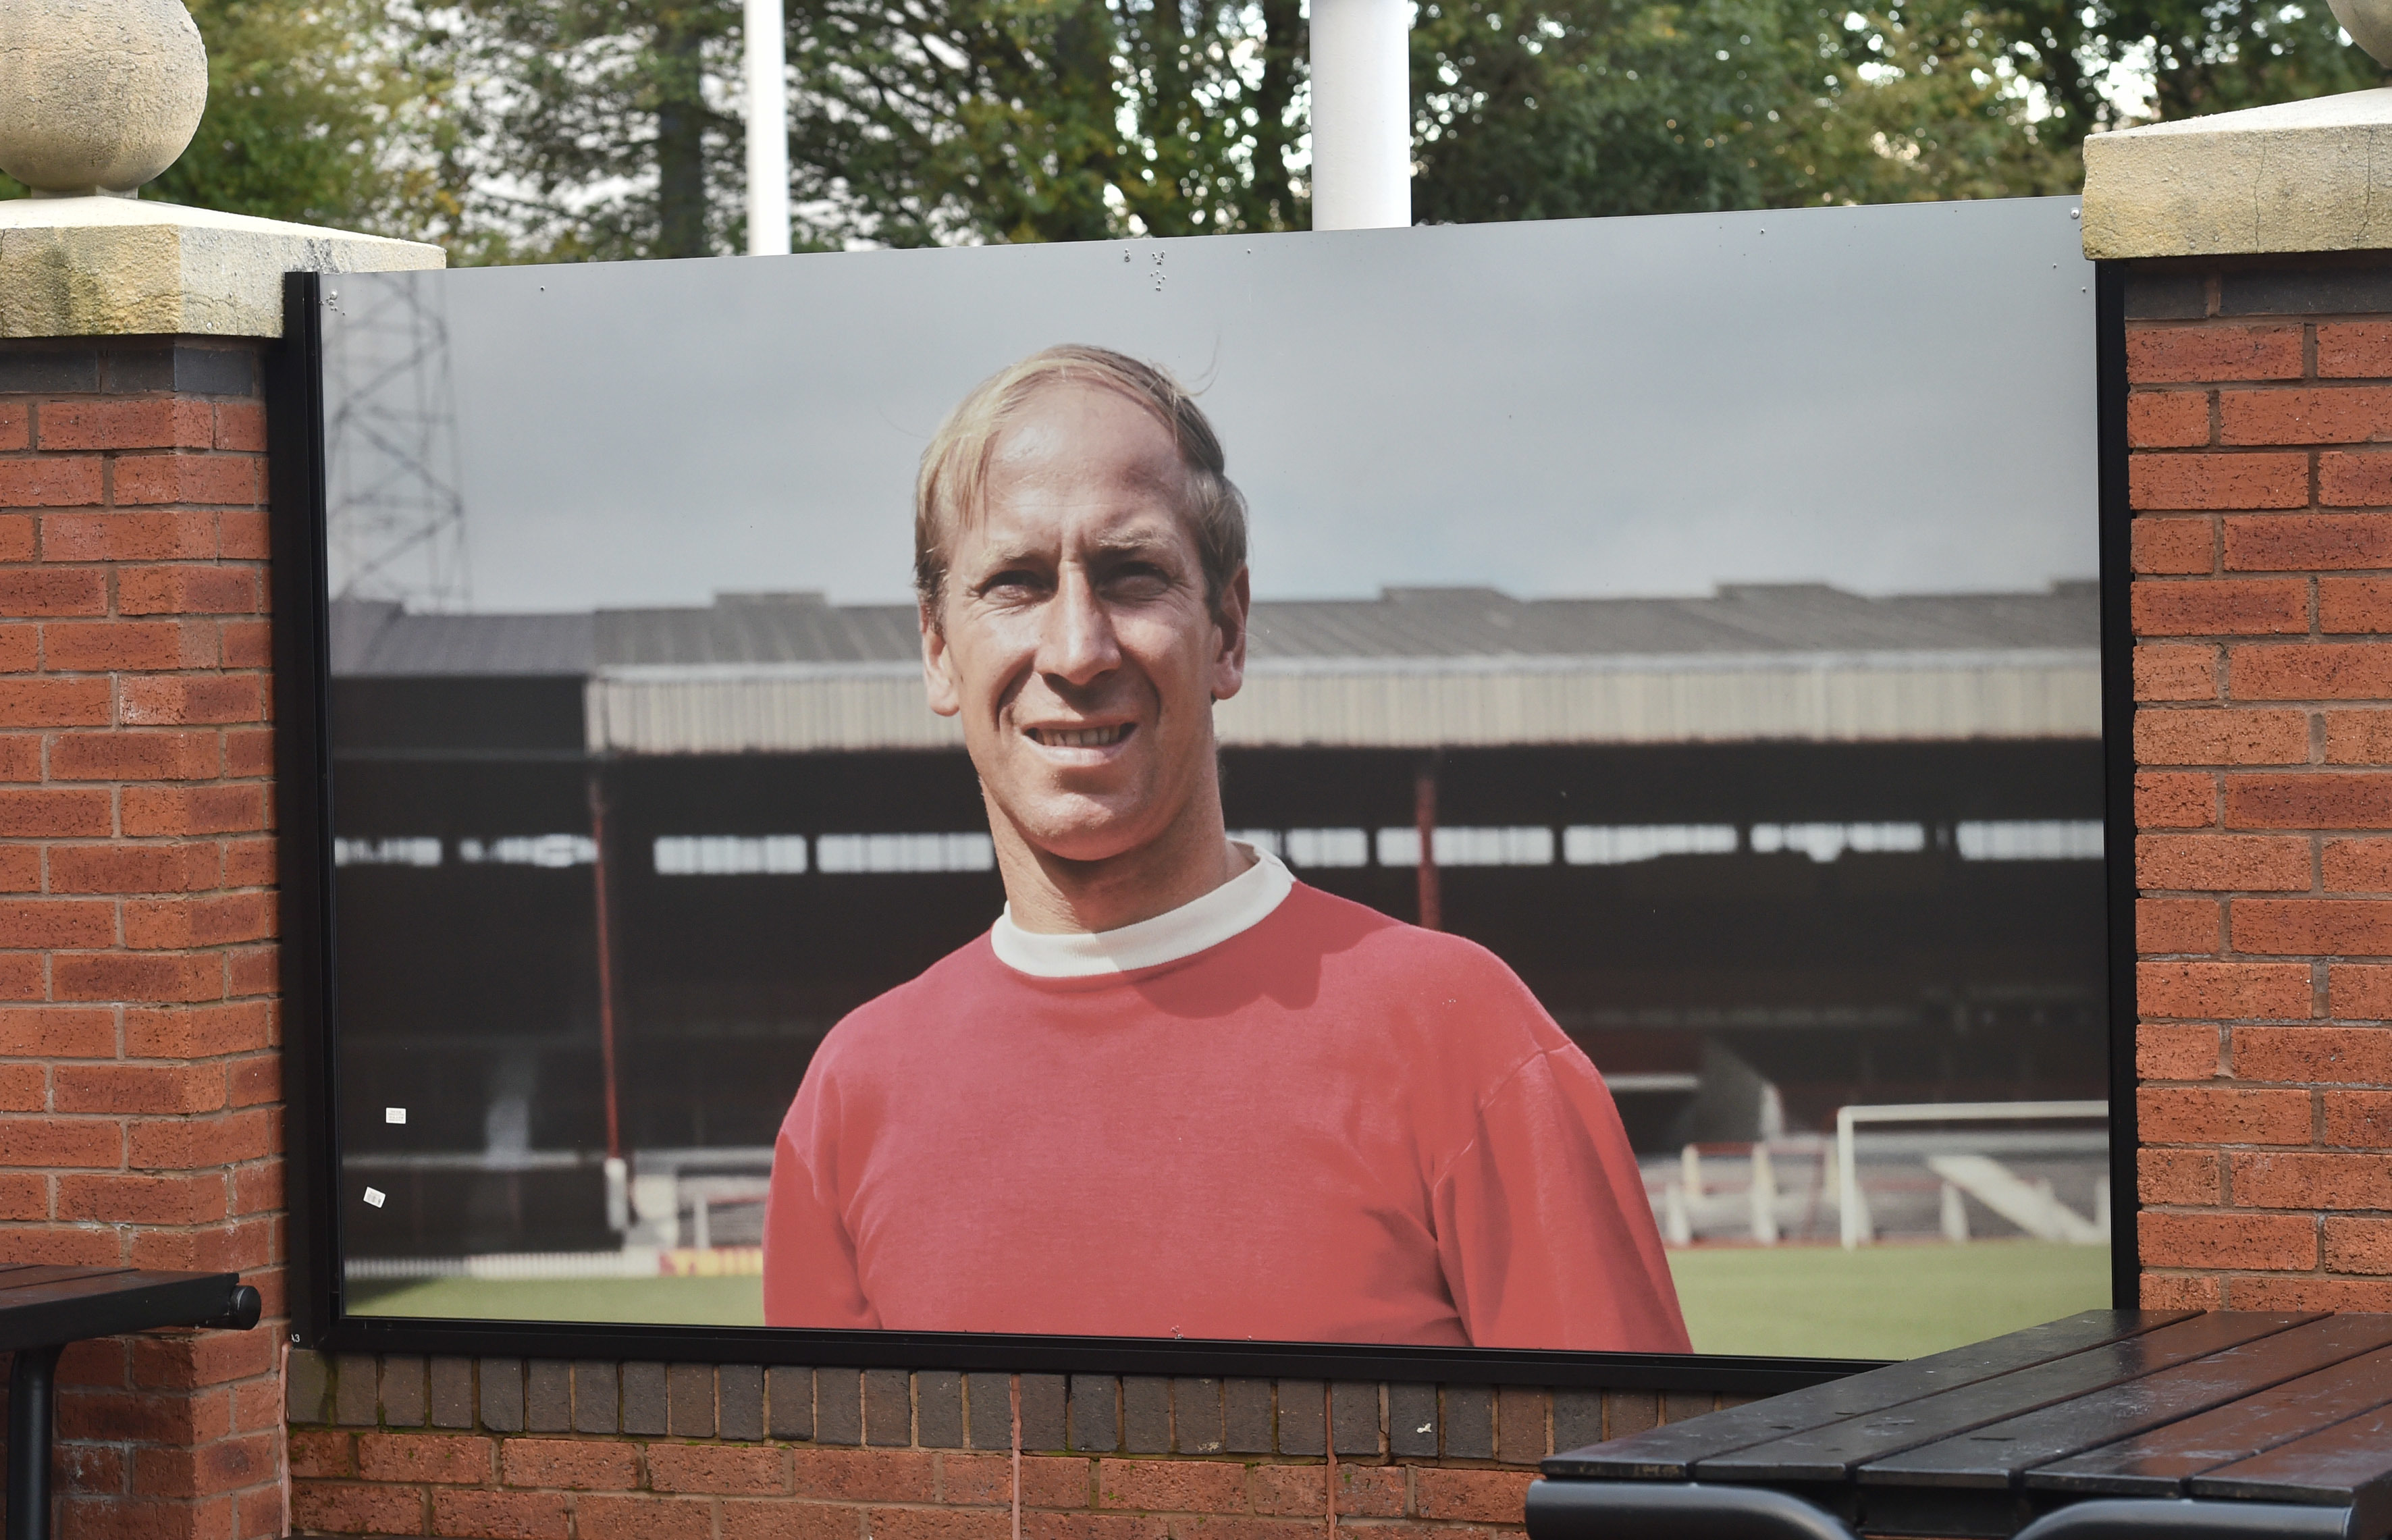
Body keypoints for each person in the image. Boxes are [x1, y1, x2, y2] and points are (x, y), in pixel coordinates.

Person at [760, 344, 1689, 1350]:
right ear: (939, 649)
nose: (1077, 650)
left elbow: (1636, 1454)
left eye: (1132, 575)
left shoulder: (1465, 1036)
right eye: (1016, 584)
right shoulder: (850, 1099)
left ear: (1229, 631)